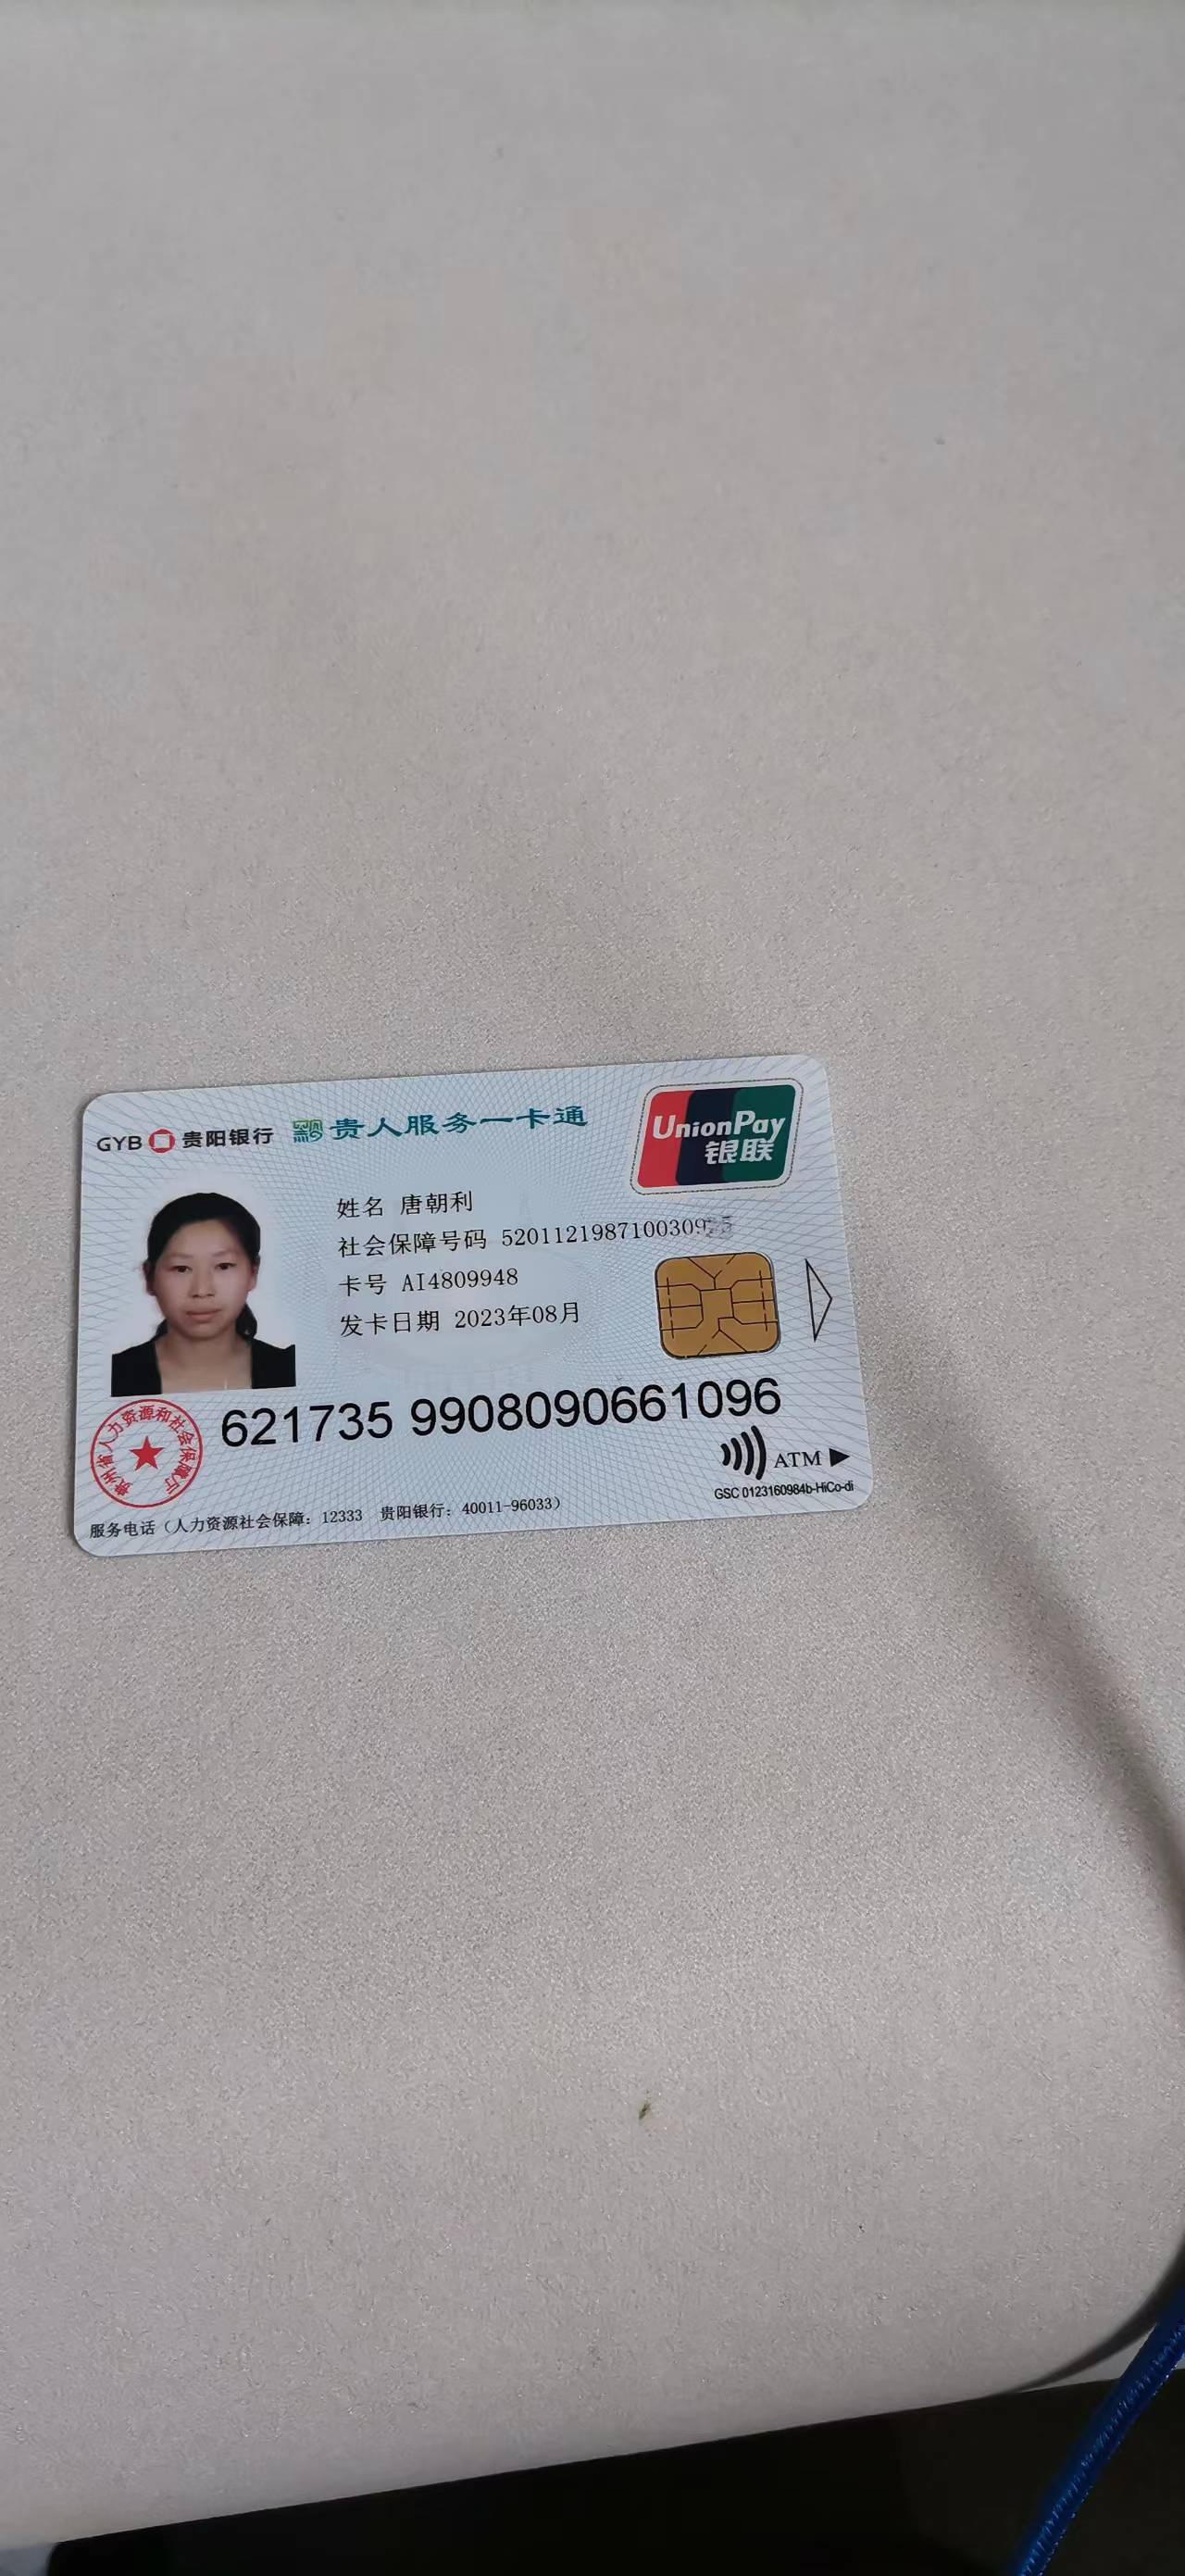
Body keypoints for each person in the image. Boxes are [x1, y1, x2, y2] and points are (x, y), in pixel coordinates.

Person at [111, 1194, 295, 1395]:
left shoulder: (290, 1368)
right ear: (149, 1277)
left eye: (223, 1266)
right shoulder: (113, 1375)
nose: (201, 1290)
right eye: (181, 1269)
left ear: (253, 1272)